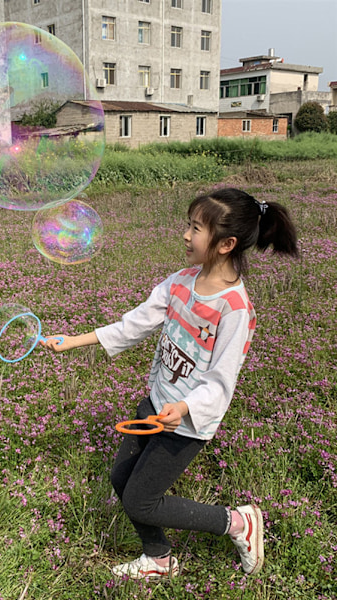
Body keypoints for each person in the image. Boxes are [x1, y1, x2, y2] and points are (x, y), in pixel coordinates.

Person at [41, 188, 299, 579]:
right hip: (156, 403)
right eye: (188, 225)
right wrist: (73, 341)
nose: (185, 235)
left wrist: (183, 409)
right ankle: (159, 559)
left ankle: (237, 523)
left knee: (141, 501)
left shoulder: (235, 309)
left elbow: (220, 380)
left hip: (185, 423)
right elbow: (136, 323)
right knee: (120, 480)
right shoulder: (181, 282)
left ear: (226, 243)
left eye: (196, 228)